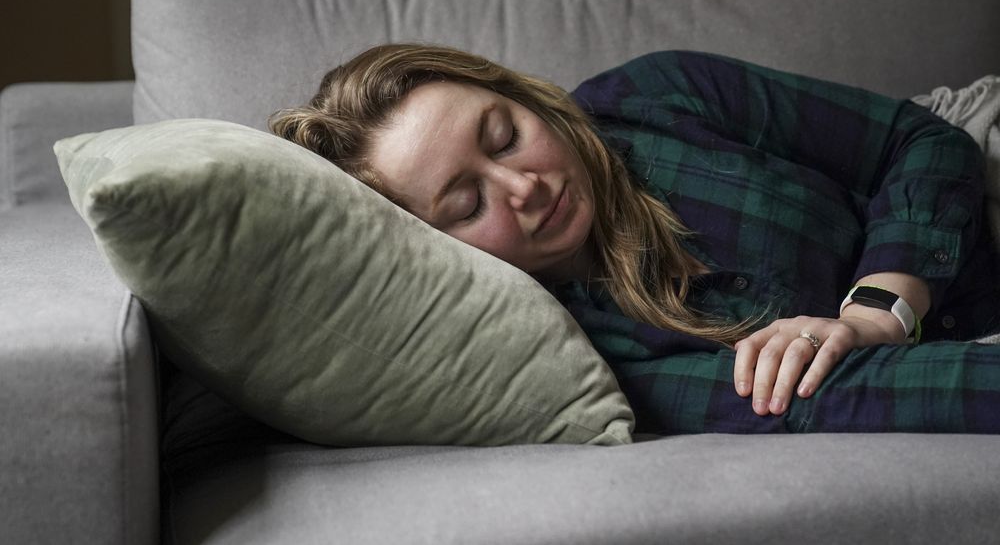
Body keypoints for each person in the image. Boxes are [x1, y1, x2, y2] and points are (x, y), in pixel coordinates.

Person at [269, 44, 1000, 434]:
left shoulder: (661, 92)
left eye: (505, 136)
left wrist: (877, 310)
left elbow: (919, 138)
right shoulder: (570, 354)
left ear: (522, 97)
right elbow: (822, 400)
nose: (524, 188)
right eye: (466, 204)